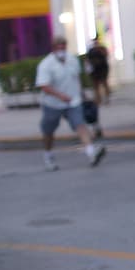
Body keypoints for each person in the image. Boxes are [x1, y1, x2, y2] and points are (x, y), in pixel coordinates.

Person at [34, 37, 106, 171]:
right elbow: (44, 86)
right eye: (58, 47)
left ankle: (91, 153)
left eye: (63, 46)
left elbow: (76, 78)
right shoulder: (46, 65)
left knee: (80, 125)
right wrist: (60, 96)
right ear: (53, 49)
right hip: (52, 104)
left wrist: (82, 94)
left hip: (73, 102)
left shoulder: (72, 60)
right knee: (48, 132)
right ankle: (48, 155)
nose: (61, 50)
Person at [85, 37, 111, 106]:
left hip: (102, 69)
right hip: (95, 70)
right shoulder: (91, 50)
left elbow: (106, 55)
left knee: (104, 83)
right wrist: (88, 69)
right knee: (96, 85)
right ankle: (98, 99)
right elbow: (87, 59)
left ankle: (107, 98)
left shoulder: (102, 48)